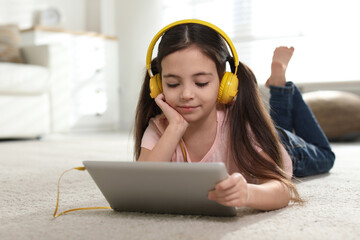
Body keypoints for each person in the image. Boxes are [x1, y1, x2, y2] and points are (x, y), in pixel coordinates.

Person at [134, 20, 335, 211]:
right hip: (260, 134)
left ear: (224, 85)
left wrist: (249, 193)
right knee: (273, 123)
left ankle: (281, 86)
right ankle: (278, 89)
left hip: (278, 144)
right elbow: (141, 184)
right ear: (158, 86)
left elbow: (281, 189)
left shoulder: (243, 126)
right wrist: (176, 126)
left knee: (326, 156)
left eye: (201, 83)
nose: (186, 95)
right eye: (173, 84)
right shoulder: (160, 127)